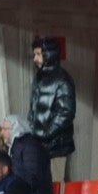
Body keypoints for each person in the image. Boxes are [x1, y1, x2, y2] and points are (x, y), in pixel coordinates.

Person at [28, 36, 75, 179]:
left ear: (49, 55)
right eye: (34, 54)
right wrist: (32, 127)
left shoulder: (62, 79)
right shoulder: (39, 77)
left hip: (56, 148)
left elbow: (66, 112)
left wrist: (46, 133)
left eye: (38, 54)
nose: (35, 58)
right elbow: (33, 109)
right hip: (40, 145)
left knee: (55, 185)